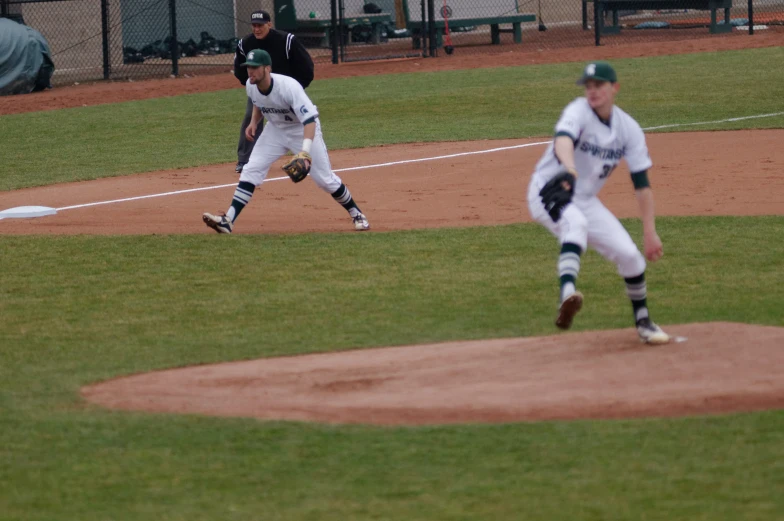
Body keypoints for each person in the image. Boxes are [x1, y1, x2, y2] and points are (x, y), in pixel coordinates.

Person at [526, 61, 670, 344]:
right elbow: (563, 140)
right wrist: (569, 169)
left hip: (584, 199)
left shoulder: (628, 129)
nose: (592, 91)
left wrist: (650, 232)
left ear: (614, 88)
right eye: (588, 86)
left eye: (598, 85)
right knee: (575, 223)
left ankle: (643, 322)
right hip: (548, 190)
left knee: (631, 256)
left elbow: (642, 185)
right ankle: (567, 293)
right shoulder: (578, 111)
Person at [203, 50, 370, 234]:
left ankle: (356, 213)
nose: (250, 71)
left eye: (255, 67)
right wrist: (253, 122)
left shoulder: (289, 87)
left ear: (267, 68)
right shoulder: (251, 85)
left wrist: (305, 153)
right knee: (251, 169)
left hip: (301, 130)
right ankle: (228, 220)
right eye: (248, 67)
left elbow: (309, 121)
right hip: (275, 130)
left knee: (325, 180)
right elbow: (258, 102)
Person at [233, 10, 315, 174]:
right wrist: (253, 86)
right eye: (254, 26)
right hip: (261, 89)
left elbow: (306, 68)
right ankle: (245, 159)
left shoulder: (286, 41)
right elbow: (239, 70)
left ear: (269, 24)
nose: (257, 29)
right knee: (251, 116)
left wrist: (294, 89)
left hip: (287, 93)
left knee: (302, 120)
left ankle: (307, 156)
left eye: (260, 25)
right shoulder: (245, 44)